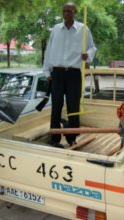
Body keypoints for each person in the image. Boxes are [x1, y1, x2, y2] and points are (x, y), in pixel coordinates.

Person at [43, 1, 97, 148]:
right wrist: (47, 72)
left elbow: (92, 47)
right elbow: (49, 50)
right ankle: (54, 138)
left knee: (73, 107)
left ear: (75, 12)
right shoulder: (55, 29)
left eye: (70, 11)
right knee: (56, 107)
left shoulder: (83, 29)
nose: (67, 13)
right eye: (65, 11)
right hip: (57, 73)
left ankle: (72, 138)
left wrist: (88, 55)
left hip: (74, 74)